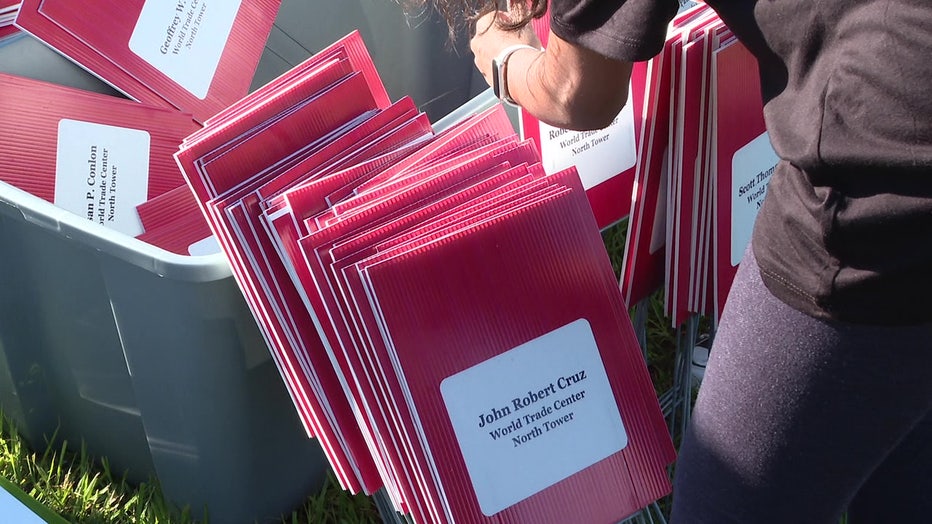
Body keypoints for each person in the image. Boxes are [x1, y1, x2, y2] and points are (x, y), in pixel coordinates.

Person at [413, 0, 932, 521]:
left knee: (726, 505)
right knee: (897, 431)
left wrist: (506, 58)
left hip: (881, 188)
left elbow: (576, 94)